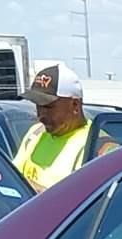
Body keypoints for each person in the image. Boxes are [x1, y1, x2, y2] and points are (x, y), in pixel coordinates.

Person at [12, 63, 112, 191]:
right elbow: (12, 178)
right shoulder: (36, 133)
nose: (40, 115)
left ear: (75, 105)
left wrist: (28, 190)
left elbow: (88, 204)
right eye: (37, 105)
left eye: (48, 107)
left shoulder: (98, 147)